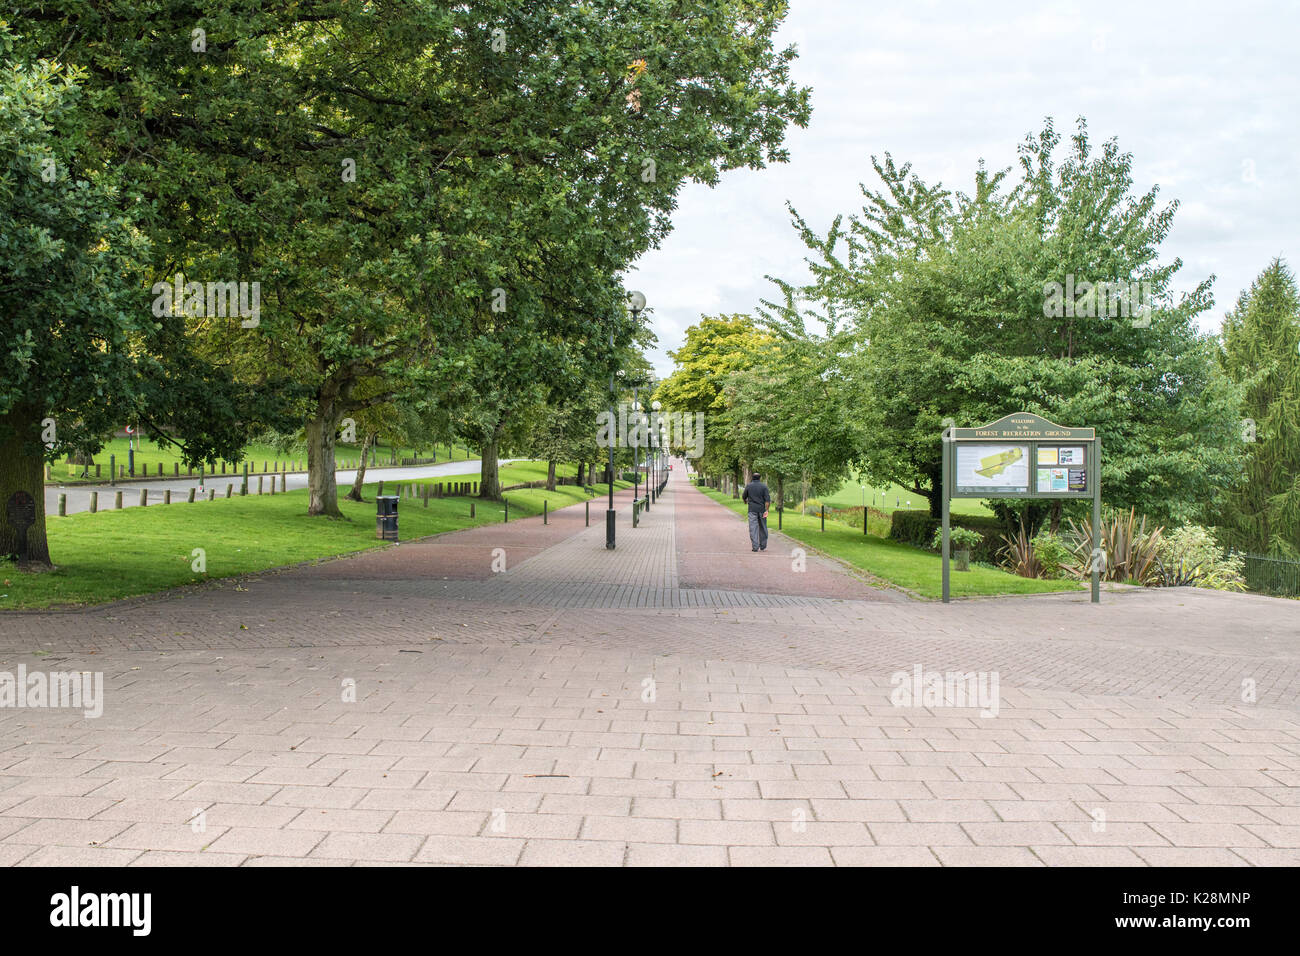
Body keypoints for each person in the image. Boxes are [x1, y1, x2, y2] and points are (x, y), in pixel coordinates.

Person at [741, 472, 771, 552]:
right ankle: (763, 546)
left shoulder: (749, 486)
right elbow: (767, 500)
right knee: (763, 527)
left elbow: (744, 497)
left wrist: (745, 501)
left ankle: (755, 547)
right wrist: (767, 510)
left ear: (752, 478)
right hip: (762, 510)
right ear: (760, 478)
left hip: (752, 510)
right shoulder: (764, 486)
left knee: (753, 528)